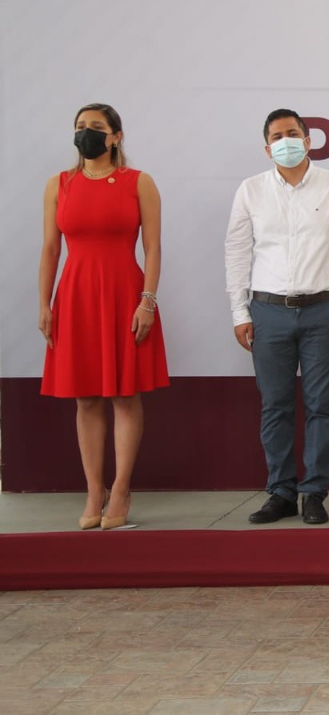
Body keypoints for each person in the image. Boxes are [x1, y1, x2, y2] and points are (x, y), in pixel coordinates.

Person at [225, 109, 329, 526]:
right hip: (267, 311)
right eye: (277, 136)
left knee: (323, 406)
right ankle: (281, 491)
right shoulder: (251, 190)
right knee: (275, 406)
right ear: (267, 146)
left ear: (308, 140)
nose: (285, 141)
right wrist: (239, 311)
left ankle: (314, 493)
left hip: (325, 310)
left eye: (293, 134)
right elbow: (237, 253)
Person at [39, 102, 168, 531]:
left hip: (124, 295)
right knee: (86, 397)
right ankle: (93, 491)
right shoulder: (59, 185)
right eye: (80, 127)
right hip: (74, 297)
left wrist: (147, 301)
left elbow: (152, 247)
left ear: (116, 136)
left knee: (124, 395)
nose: (87, 133)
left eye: (96, 127)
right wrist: (44, 304)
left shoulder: (139, 183)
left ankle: (121, 489)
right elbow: (51, 249)